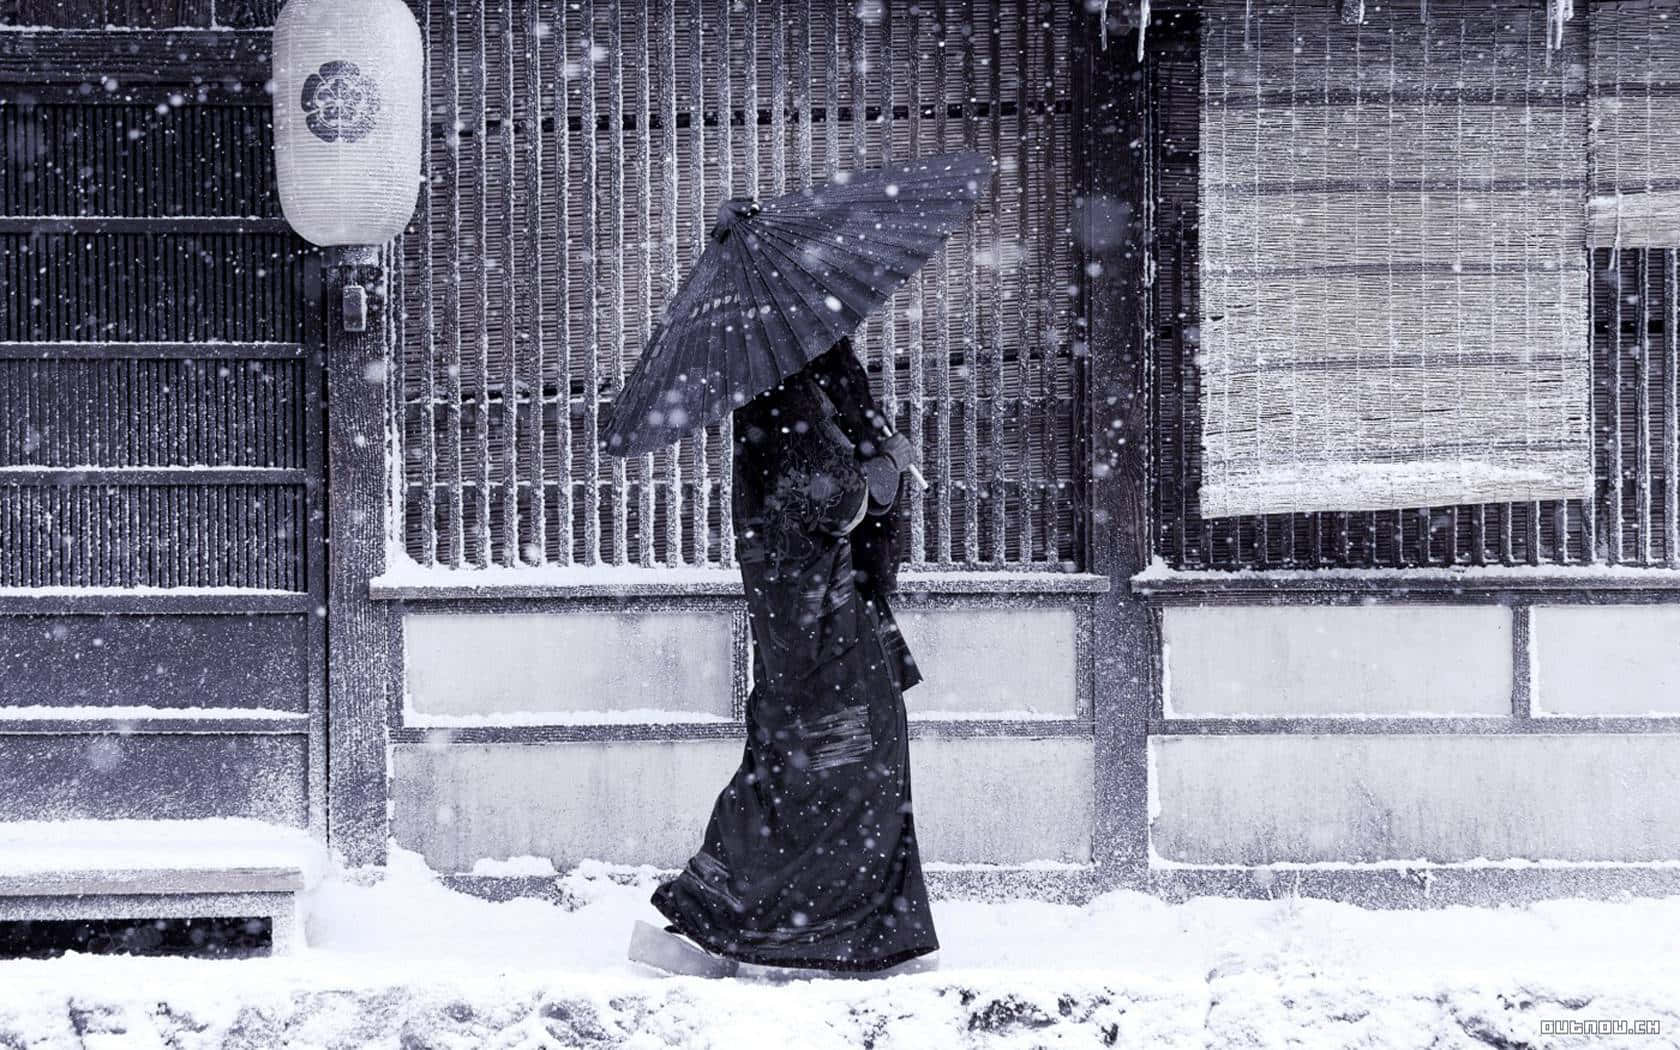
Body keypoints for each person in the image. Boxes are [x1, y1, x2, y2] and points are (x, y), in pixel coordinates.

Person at [628, 336, 936, 979]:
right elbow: (820, 501)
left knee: (834, 759)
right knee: (827, 759)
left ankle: (829, 925)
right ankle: (789, 924)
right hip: (814, 616)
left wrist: (877, 459)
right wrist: (883, 470)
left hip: (829, 606)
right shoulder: (781, 385)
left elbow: (840, 492)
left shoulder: (810, 372)